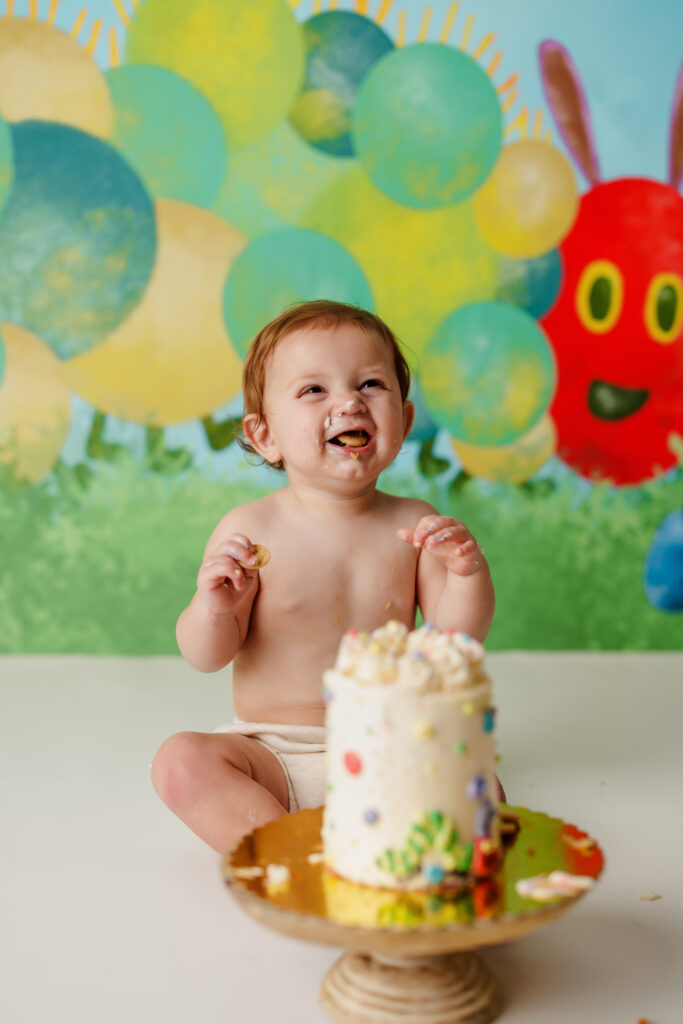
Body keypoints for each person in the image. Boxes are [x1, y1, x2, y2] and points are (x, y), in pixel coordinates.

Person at [151, 300, 495, 854]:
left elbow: (455, 641)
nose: (349, 401)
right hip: (273, 756)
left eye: (371, 384)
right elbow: (205, 656)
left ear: (403, 422)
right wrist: (214, 607)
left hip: (390, 744)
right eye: (314, 390)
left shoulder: (413, 524)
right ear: (265, 436)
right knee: (180, 763)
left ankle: (402, 856)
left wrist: (465, 574)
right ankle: (294, 854)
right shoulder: (252, 529)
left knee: (479, 782)